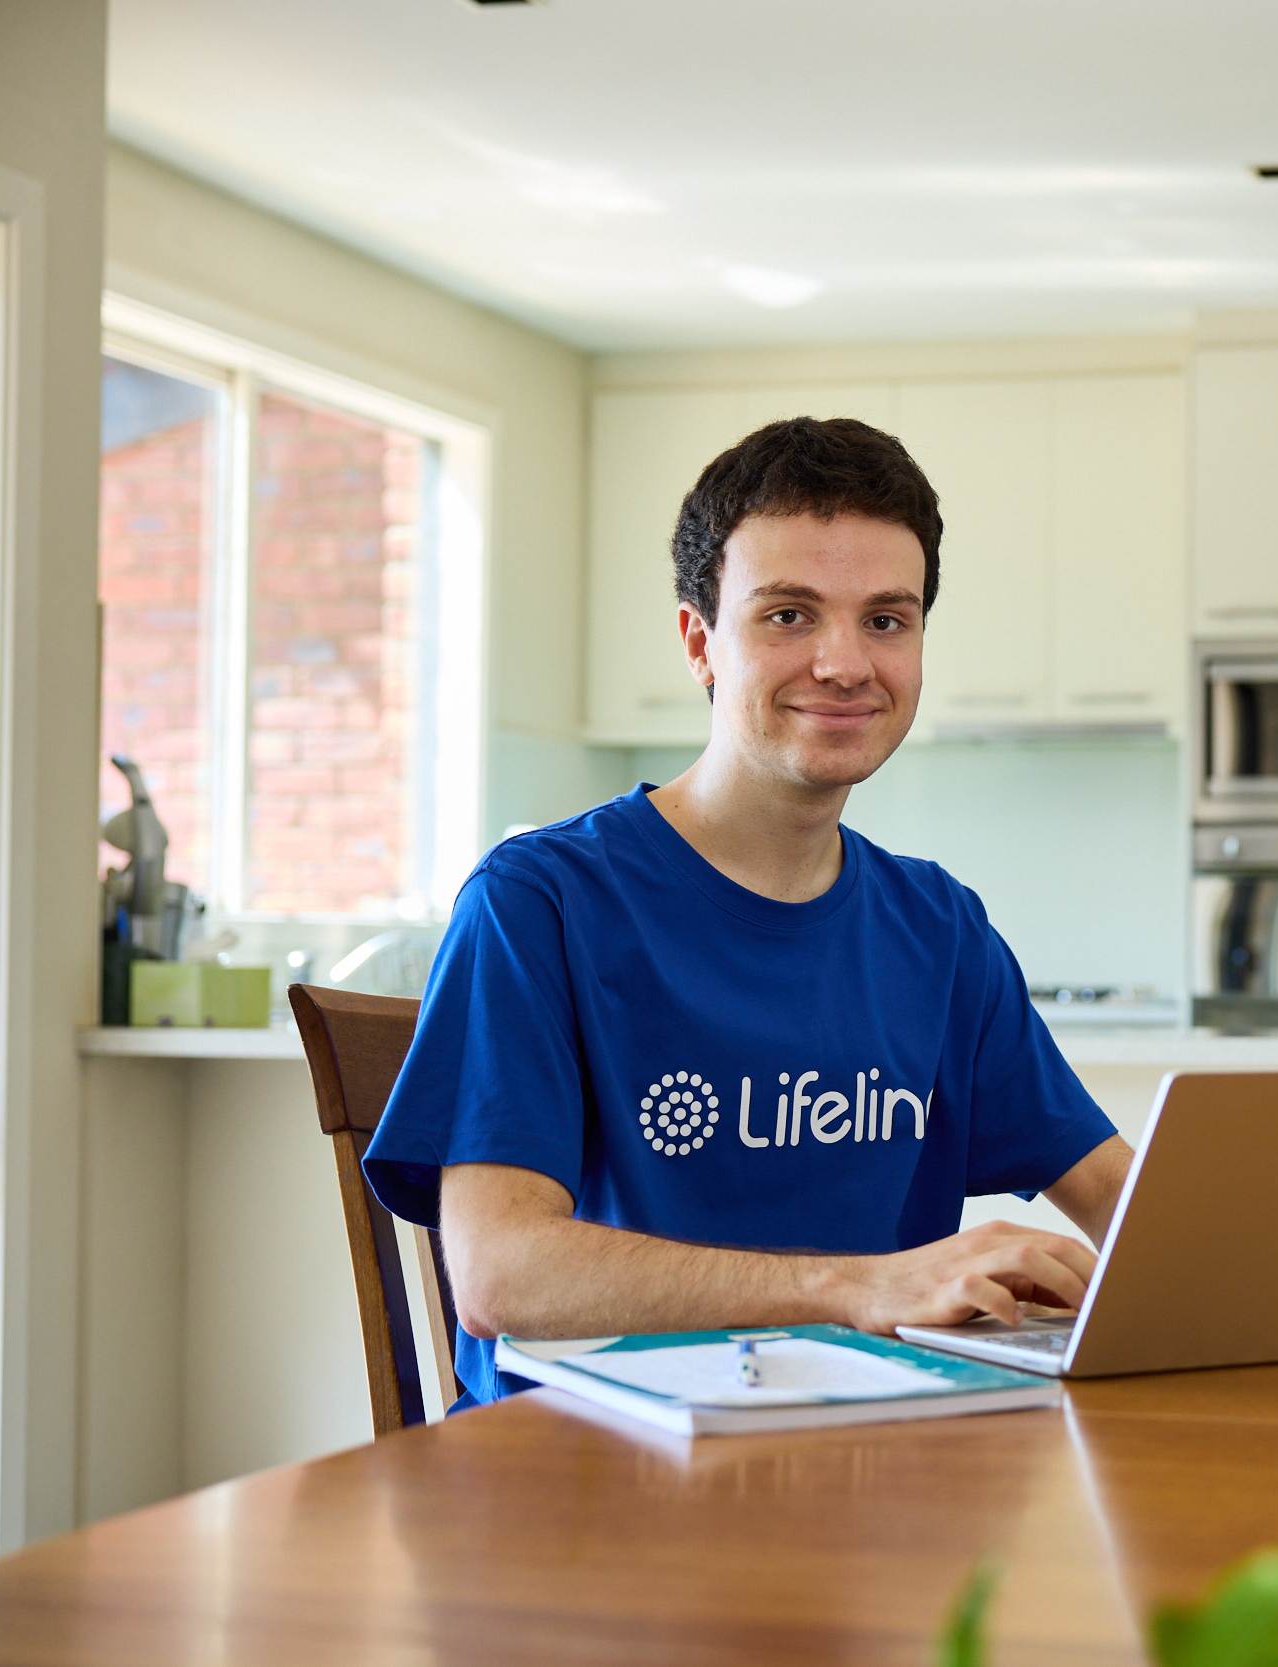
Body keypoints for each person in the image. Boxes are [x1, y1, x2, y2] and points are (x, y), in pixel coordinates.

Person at [364, 416, 1134, 1406]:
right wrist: (859, 1286)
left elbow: (1129, 1204)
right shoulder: (540, 902)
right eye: (789, 615)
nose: (846, 662)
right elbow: (501, 1273)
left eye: (886, 620)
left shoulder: (939, 928)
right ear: (700, 642)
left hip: (873, 1469)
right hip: (583, 1487)